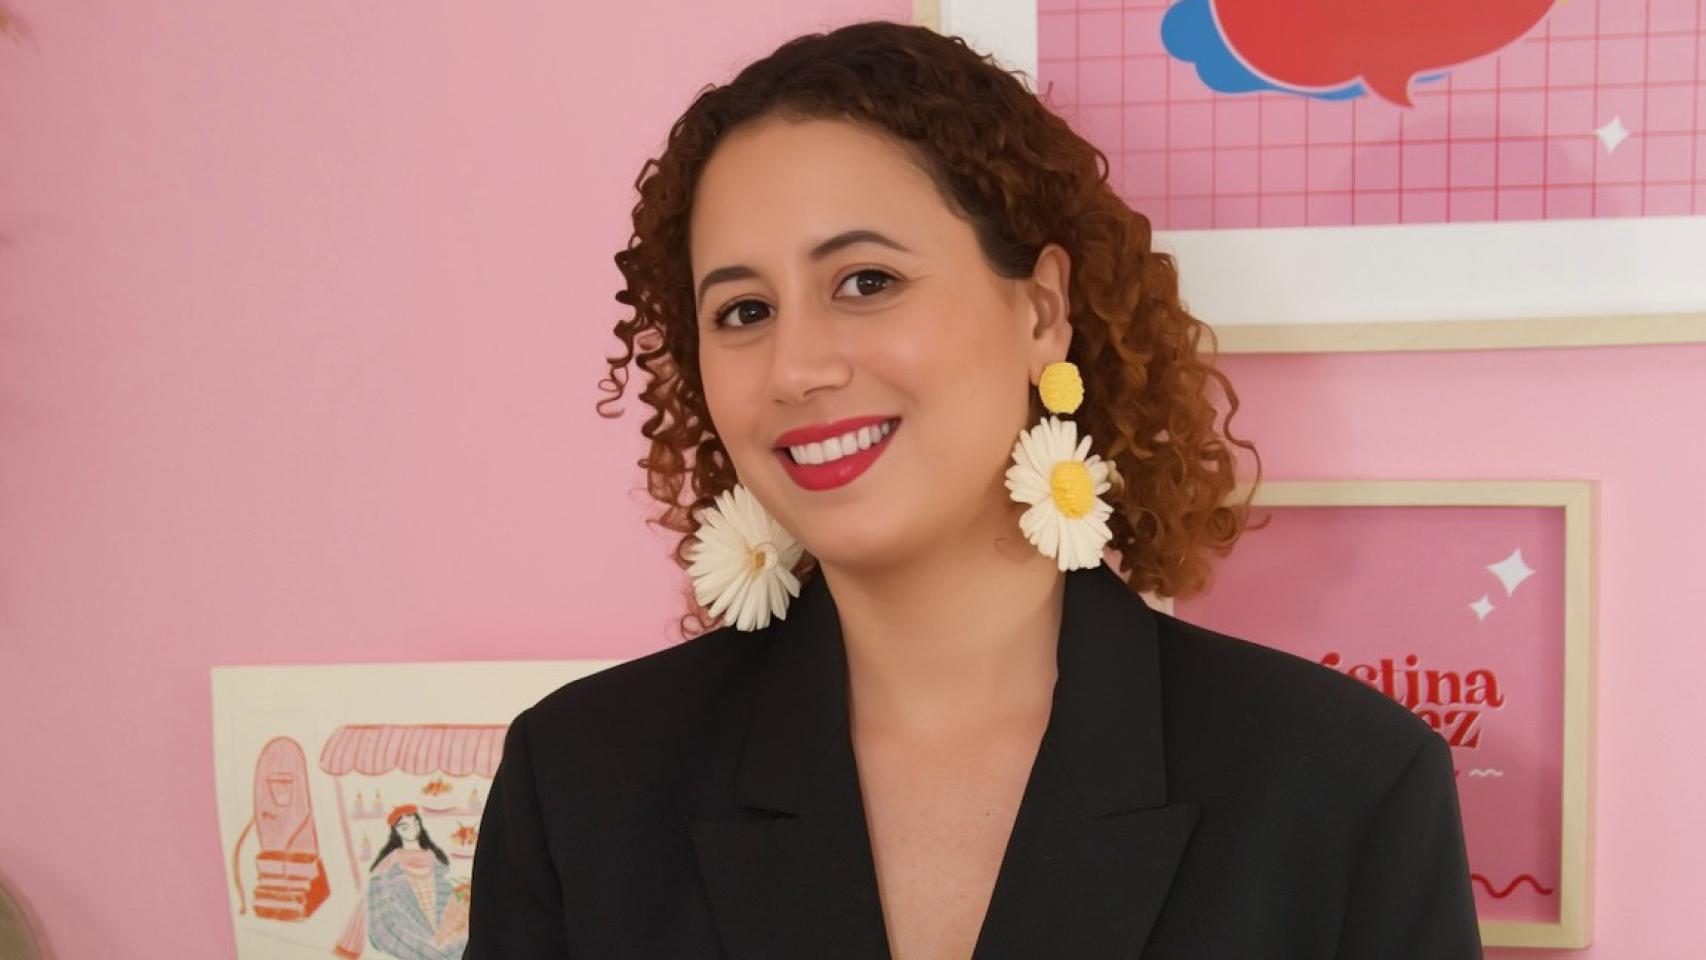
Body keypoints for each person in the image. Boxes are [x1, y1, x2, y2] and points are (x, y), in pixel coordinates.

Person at [467, 19, 1482, 960]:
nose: (795, 368)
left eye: (865, 282)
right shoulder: (579, 782)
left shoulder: (1343, 785)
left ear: (1040, 311)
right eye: (742, 311)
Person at [366, 805, 469, 960]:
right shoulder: (388, 869)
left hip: (442, 934)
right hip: (413, 939)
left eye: (415, 823)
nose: (412, 829)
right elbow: (382, 930)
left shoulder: (434, 859)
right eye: (404, 826)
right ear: (396, 831)